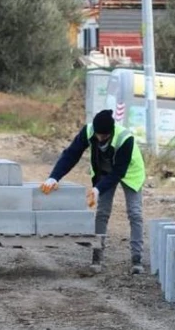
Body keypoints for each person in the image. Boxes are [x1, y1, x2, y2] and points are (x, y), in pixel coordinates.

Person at [41, 109, 147, 274]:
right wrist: (54, 177)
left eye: (104, 136)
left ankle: (136, 260)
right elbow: (71, 154)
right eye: (98, 135)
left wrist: (98, 189)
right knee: (102, 212)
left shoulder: (125, 138)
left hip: (130, 171)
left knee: (135, 213)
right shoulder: (89, 131)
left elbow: (118, 172)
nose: (99, 138)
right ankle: (97, 256)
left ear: (110, 132)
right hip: (104, 171)